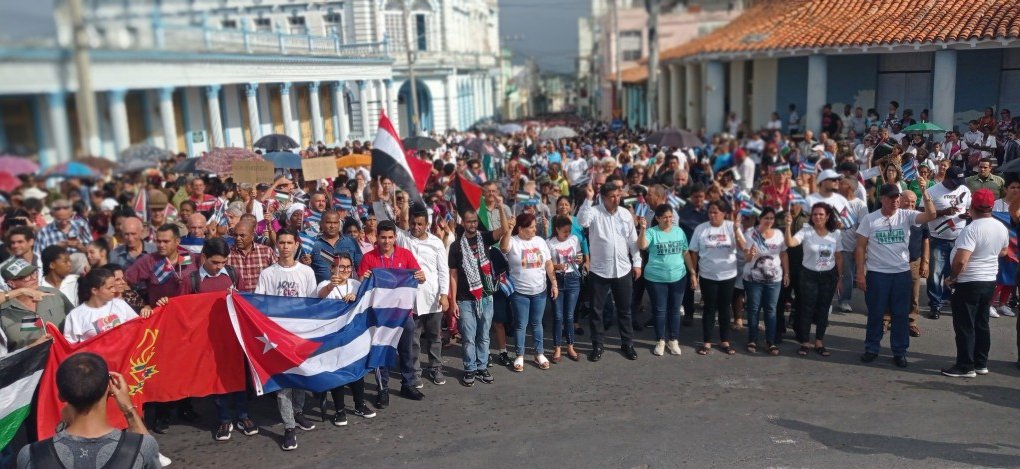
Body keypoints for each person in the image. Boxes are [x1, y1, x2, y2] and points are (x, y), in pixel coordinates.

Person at [16, 353, 161, 469]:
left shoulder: (30, 455)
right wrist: (129, 411)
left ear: (60, 395)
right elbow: (149, 450)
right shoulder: (141, 448)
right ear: (109, 389)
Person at [856, 182, 937, 368]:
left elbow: (931, 215)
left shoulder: (907, 215)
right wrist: (860, 273)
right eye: (891, 197)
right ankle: (871, 348)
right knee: (876, 314)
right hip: (877, 274)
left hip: (901, 273)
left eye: (897, 197)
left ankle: (899, 352)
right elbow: (860, 246)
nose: (895, 200)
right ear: (882, 199)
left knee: (900, 315)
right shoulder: (870, 219)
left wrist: (925, 192)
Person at [255, 228, 318, 451]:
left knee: (299, 378)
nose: (285, 247)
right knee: (282, 384)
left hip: (299, 334)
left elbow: (312, 304)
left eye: (289, 242)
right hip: (277, 336)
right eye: (281, 242)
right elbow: (260, 305)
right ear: (276, 245)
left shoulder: (307, 272)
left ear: (296, 244)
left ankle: (298, 412)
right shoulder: (268, 274)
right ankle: (288, 427)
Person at [941, 189, 1008, 378]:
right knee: (981, 322)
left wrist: (952, 278)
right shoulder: (1000, 226)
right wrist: (987, 253)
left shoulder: (972, 229)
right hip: (988, 281)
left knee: (965, 325)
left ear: (972, 207)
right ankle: (980, 362)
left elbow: (961, 260)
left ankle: (965, 366)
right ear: (992, 206)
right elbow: (1003, 251)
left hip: (969, 281)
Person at [357, 221, 426, 405]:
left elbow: (420, 277)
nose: (386, 241)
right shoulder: (368, 258)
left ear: (395, 237)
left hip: (403, 314)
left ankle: (408, 384)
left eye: (390, 237)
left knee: (406, 350)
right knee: (381, 350)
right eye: (382, 237)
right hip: (379, 316)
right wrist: (362, 279)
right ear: (376, 238)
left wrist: (421, 277)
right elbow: (362, 286)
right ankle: (383, 388)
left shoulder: (405, 254)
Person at [576, 182, 643, 362]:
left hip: (622, 269)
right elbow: (582, 221)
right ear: (604, 198)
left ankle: (627, 343)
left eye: (618, 196)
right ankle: (597, 345)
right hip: (599, 270)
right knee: (596, 311)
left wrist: (637, 263)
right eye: (612, 196)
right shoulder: (595, 212)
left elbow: (633, 241)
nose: (616, 199)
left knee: (624, 309)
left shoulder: (625, 214)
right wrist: (588, 199)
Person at [314, 253, 377, 425]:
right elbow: (317, 298)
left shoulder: (356, 284)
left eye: (348, 267)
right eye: (341, 267)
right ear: (332, 268)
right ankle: (340, 410)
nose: (345, 270)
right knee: (337, 373)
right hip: (332, 339)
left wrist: (356, 297)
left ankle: (360, 404)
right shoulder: (325, 284)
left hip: (353, 337)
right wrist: (330, 288)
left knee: (356, 371)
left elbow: (366, 301)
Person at [448, 209, 508, 386]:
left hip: (486, 296)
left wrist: (500, 206)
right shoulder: (456, 246)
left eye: (474, 221)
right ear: (463, 223)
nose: (472, 224)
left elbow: (504, 229)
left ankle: (482, 366)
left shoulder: (485, 239)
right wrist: (453, 301)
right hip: (465, 298)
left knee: (483, 335)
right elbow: (453, 274)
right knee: (468, 336)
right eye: (469, 221)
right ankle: (469, 368)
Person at [395, 203, 450, 386]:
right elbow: (382, 217)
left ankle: (435, 368)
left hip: (433, 297)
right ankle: (415, 371)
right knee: (414, 339)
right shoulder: (403, 238)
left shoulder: (436, 243)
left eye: (420, 224)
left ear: (427, 224)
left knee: (435, 337)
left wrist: (444, 294)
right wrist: (402, 204)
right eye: (413, 224)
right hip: (412, 300)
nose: (416, 228)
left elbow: (443, 270)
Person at [500, 213, 557, 371]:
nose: (534, 229)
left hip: (540, 291)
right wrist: (509, 230)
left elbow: (548, 263)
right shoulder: (513, 241)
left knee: (537, 323)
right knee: (521, 324)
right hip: (519, 292)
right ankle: (519, 355)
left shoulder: (540, 241)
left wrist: (554, 283)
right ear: (521, 229)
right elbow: (503, 247)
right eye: (531, 227)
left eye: (534, 226)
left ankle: (539, 353)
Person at [636, 204, 695, 356]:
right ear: (658, 218)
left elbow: (686, 253)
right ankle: (660, 340)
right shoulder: (651, 232)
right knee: (660, 310)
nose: (669, 220)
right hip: (656, 278)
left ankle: (673, 340)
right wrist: (642, 228)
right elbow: (642, 245)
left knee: (675, 310)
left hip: (678, 277)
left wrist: (693, 272)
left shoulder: (679, 231)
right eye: (665, 217)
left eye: (670, 217)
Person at [784, 203, 842, 357]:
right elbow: (790, 243)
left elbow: (839, 256)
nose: (817, 217)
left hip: (828, 276)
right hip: (808, 275)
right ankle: (804, 342)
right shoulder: (806, 231)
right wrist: (788, 226)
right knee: (806, 309)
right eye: (815, 214)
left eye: (821, 214)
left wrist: (840, 277)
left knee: (823, 310)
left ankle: (819, 342)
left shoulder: (835, 233)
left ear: (828, 216)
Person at [689, 200, 746, 356]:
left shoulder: (731, 226)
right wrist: (694, 273)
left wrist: (736, 230)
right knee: (709, 308)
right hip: (708, 275)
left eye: (716, 212)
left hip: (728, 275)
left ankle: (725, 340)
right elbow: (693, 251)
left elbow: (743, 247)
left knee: (724, 308)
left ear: (724, 213)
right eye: (710, 212)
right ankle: (707, 341)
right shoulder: (701, 229)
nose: (712, 215)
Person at [925, 165, 971, 320]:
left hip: (959, 239)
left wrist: (967, 215)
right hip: (938, 238)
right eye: (954, 182)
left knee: (953, 273)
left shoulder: (964, 189)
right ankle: (935, 305)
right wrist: (943, 212)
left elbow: (969, 208)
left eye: (959, 182)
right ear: (945, 178)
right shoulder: (932, 192)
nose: (957, 185)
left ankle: (947, 297)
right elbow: (921, 213)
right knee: (935, 275)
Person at [741, 207, 788, 355]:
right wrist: (751, 254)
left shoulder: (779, 234)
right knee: (754, 309)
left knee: (771, 310)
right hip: (753, 278)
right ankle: (752, 340)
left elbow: (784, 254)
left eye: (771, 218)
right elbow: (746, 258)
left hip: (774, 279)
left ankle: (770, 342)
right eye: (766, 218)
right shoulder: (750, 234)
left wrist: (787, 273)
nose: (769, 221)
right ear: (759, 218)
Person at [63, 268, 152, 343]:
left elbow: (138, 327)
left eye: (114, 286)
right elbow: (70, 347)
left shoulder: (120, 304)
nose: (114, 290)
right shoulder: (75, 315)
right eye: (110, 287)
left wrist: (146, 311)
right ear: (95, 291)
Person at [0, 259, 68, 354]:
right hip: (29, 366)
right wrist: (31, 348)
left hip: (64, 361)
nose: (33, 278)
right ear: (11, 283)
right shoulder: (3, 311)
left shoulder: (54, 294)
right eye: (25, 277)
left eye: (34, 273)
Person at [547, 215, 585, 362]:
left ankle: (570, 346)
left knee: (569, 316)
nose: (567, 234)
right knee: (558, 316)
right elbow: (547, 264)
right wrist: (557, 266)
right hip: (557, 280)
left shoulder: (574, 239)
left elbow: (579, 254)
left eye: (569, 231)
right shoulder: (549, 243)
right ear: (556, 229)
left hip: (573, 278)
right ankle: (557, 348)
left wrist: (580, 259)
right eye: (564, 231)